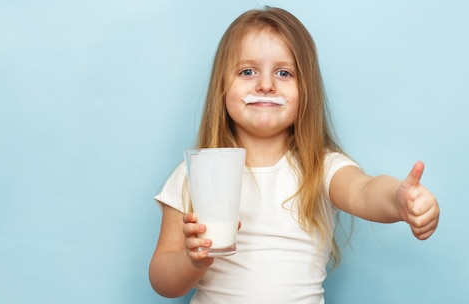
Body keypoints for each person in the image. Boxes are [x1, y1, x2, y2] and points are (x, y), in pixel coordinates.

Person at [149, 6, 440, 303]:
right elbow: (163, 281)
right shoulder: (194, 173)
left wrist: (398, 199)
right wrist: (191, 261)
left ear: (306, 90)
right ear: (222, 87)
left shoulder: (320, 167)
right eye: (247, 71)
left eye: (284, 73)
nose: (265, 85)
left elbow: (363, 190)